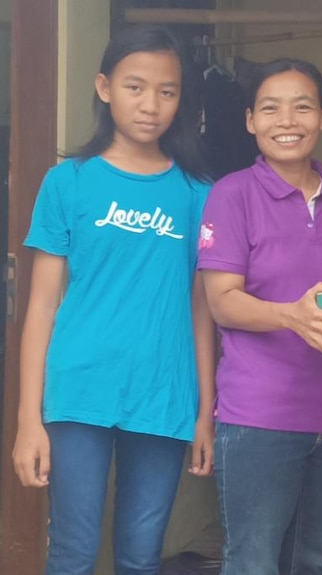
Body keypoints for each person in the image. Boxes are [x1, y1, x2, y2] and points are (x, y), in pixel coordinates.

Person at [12, 25, 215, 575]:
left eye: (167, 91)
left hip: (164, 394)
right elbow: (41, 307)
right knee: (73, 552)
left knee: (142, 556)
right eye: (135, 87)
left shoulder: (198, 194)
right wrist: (29, 420)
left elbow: (202, 310)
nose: (151, 105)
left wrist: (205, 412)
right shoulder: (68, 183)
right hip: (79, 391)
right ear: (104, 87)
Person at [197, 58, 322, 575]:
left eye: (302, 106)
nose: (287, 120)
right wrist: (291, 316)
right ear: (251, 120)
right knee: (253, 561)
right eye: (270, 108)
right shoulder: (232, 195)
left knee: (312, 559)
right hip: (259, 416)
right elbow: (221, 300)